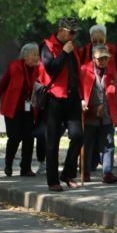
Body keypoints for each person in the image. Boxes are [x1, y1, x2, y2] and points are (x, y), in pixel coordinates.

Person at [39, 17, 84, 191]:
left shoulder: (73, 47)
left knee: (78, 136)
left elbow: (76, 73)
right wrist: (64, 52)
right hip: (54, 98)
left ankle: (67, 173)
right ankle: (53, 181)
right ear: (62, 30)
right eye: (71, 32)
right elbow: (51, 69)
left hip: (72, 98)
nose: (73, 36)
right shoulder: (47, 46)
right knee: (52, 141)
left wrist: (81, 96)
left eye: (75, 33)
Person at [0, 43, 47, 177]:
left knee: (29, 137)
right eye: (34, 54)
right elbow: (1, 87)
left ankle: (25, 168)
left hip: (29, 109)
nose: (37, 57)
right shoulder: (14, 67)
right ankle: (8, 164)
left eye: (38, 55)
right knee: (14, 137)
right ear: (26, 55)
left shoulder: (38, 69)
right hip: (13, 108)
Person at [79, 24, 117, 172]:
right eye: (94, 42)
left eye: (100, 41)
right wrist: (82, 101)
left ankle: (106, 171)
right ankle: (86, 168)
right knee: (88, 139)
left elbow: (115, 86)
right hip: (90, 107)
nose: (98, 44)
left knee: (107, 139)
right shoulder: (84, 53)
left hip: (107, 106)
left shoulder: (111, 53)